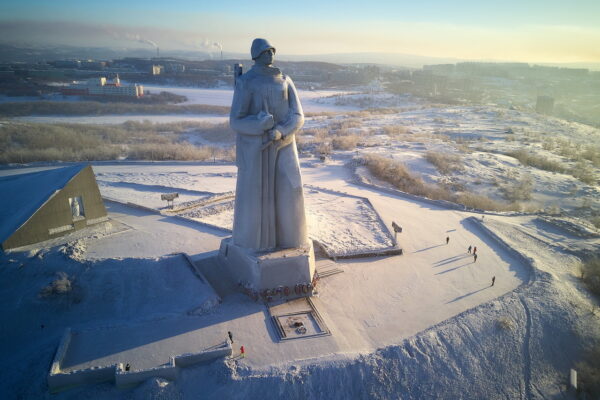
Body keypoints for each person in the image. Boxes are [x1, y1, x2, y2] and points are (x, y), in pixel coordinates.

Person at [229, 38, 308, 251]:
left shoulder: (284, 79)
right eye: (265, 51)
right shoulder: (246, 82)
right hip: (257, 151)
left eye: (271, 50)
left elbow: (298, 114)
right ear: (256, 55)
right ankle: (257, 244)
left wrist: (281, 131)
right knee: (257, 200)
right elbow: (236, 120)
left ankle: (292, 240)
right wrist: (259, 124)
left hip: (284, 145)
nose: (270, 54)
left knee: (291, 191)